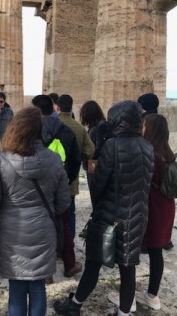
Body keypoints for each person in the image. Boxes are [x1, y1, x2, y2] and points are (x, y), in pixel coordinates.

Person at [54, 100, 154, 316]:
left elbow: (98, 183)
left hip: (109, 216)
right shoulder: (147, 147)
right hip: (136, 216)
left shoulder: (112, 146)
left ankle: (75, 305)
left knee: (93, 263)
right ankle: (124, 313)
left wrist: (99, 206)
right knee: (128, 269)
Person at [0, 107, 70, 316]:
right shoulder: (54, 159)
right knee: (38, 286)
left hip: (13, 230)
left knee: (16, 287)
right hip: (43, 228)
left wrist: (8, 214)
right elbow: (63, 201)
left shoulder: (3, 160)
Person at [31, 94, 82, 279]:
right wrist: (67, 180)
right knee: (64, 226)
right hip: (61, 186)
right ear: (53, 108)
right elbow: (76, 159)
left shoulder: (31, 131)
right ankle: (69, 265)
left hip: (36, 187)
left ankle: (46, 272)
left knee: (40, 227)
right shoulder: (66, 130)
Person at [133, 114, 174, 310]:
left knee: (134, 249)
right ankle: (152, 293)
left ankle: (131, 294)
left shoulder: (149, 153)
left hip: (152, 208)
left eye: (144, 125)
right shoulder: (166, 151)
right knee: (156, 252)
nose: (141, 128)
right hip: (165, 207)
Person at [56, 94, 95, 238]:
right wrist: (77, 158)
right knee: (69, 213)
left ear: (57, 107)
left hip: (51, 178)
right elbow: (90, 151)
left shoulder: (51, 124)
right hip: (71, 179)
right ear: (72, 108)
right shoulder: (79, 128)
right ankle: (68, 246)